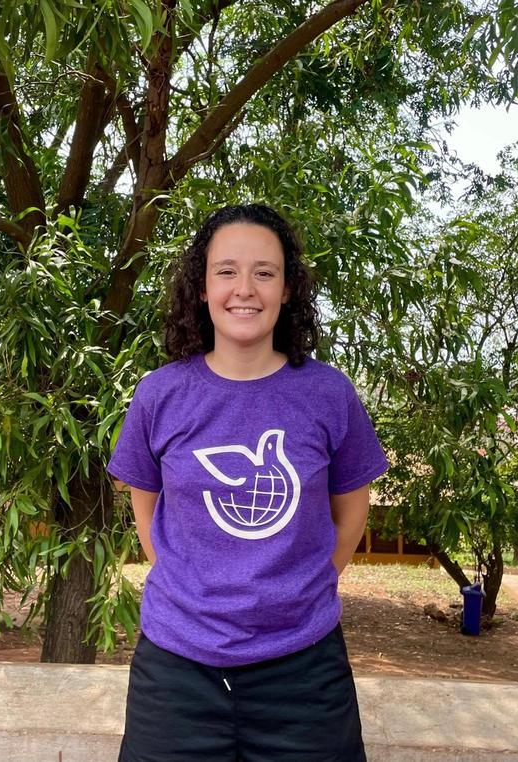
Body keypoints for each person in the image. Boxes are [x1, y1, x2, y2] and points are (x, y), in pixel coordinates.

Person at [108, 204, 387, 760]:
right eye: (226, 271)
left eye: (265, 272)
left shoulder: (328, 394)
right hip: (176, 676)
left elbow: (351, 513)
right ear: (203, 286)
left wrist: (304, 587)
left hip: (305, 676)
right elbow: (146, 506)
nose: (245, 289)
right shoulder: (160, 395)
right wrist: (187, 588)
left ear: (287, 290)